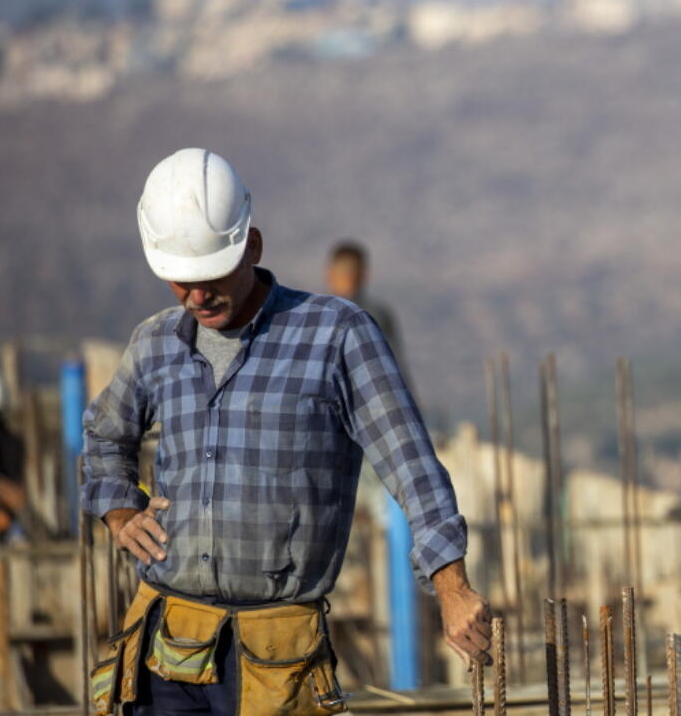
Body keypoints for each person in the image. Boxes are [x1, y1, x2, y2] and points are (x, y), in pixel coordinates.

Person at [82, 148, 490, 716]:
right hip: (165, 647)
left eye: (211, 277)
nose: (197, 297)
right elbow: (105, 438)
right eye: (182, 281)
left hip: (276, 657)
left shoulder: (337, 336)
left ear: (252, 246)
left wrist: (452, 587)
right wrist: (120, 511)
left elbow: (412, 465)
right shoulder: (155, 344)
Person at [325, 241, 417, 397]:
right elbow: (393, 368)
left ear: (329, 274)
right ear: (364, 275)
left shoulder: (317, 315)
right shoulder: (375, 315)